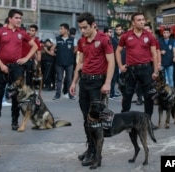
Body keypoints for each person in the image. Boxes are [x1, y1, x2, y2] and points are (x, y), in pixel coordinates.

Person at [70, 12, 115, 166]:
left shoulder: (104, 39)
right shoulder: (82, 41)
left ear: (93, 25)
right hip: (85, 82)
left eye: (85, 28)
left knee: (95, 121)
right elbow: (80, 62)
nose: (82, 31)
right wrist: (74, 82)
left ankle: (95, 152)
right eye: (80, 28)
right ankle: (90, 148)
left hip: (98, 83)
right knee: (86, 118)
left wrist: (107, 83)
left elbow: (111, 62)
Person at [0, 9, 38, 130]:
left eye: (20, 18)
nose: (19, 20)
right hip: (2, 67)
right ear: (10, 18)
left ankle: (14, 121)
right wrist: (1, 65)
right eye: (16, 18)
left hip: (17, 67)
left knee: (16, 95)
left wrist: (26, 58)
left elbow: (35, 46)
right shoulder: (0, 32)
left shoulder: (22, 33)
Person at [116, 12, 158, 129]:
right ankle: (124, 122)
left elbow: (154, 54)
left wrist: (155, 71)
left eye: (143, 20)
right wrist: (120, 65)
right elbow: (118, 51)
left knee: (149, 97)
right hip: (131, 70)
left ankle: (147, 121)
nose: (142, 22)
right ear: (133, 23)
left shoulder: (149, 36)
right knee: (127, 96)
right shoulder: (126, 36)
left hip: (146, 69)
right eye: (139, 20)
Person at [52, 23, 77, 100]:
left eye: (61, 29)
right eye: (60, 29)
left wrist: (69, 53)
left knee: (69, 79)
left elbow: (76, 49)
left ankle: (71, 95)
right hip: (59, 62)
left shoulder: (73, 39)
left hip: (69, 62)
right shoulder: (57, 39)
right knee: (59, 79)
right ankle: (57, 94)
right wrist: (54, 51)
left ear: (66, 30)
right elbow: (52, 48)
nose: (60, 30)